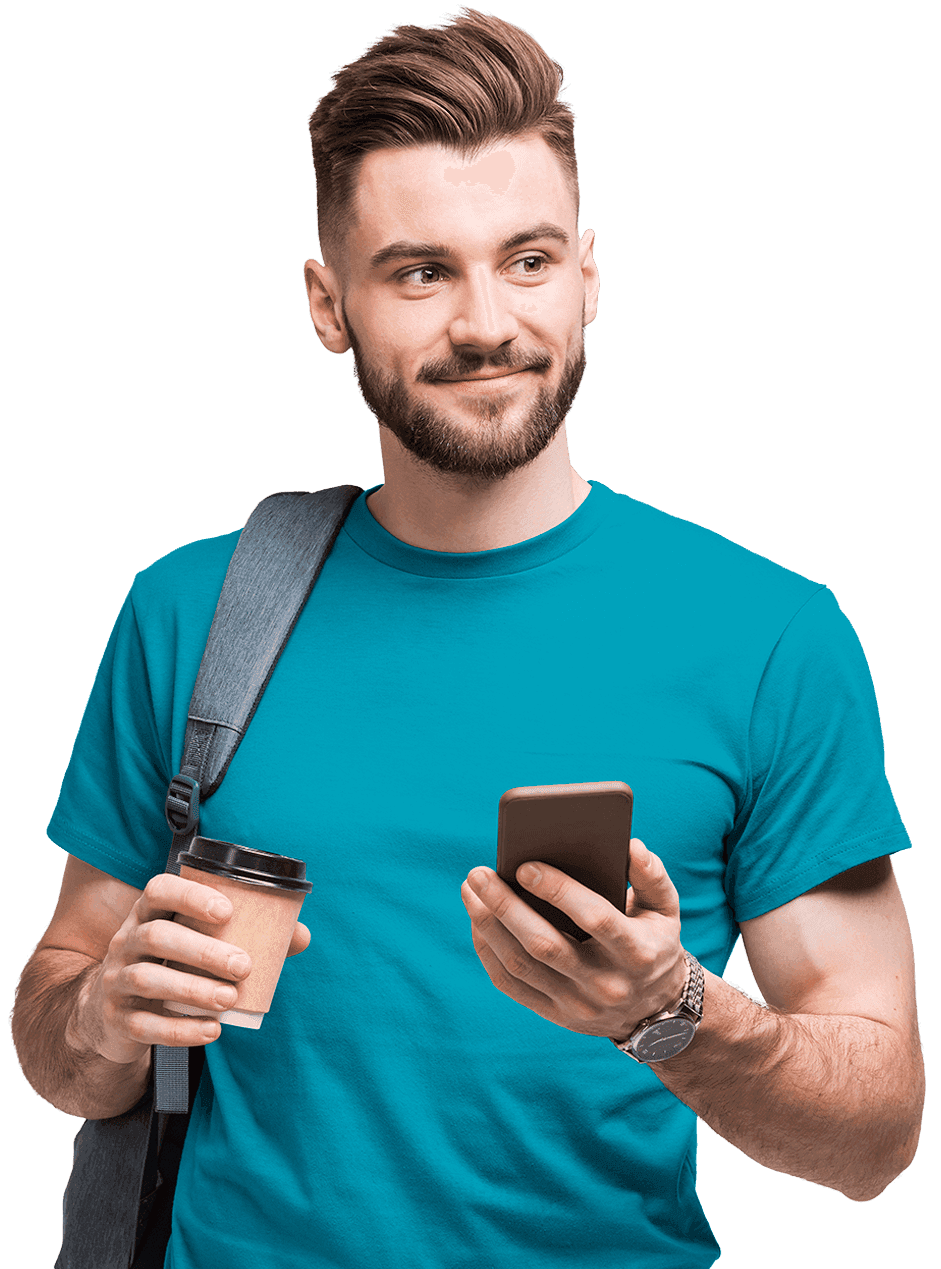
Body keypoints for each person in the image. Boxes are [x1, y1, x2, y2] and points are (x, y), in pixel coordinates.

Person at [10, 8, 924, 1267]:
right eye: (420, 271)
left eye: (529, 259)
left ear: (590, 275)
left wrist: (668, 1014)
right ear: (330, 306)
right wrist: (106, 1016)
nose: (486, 322)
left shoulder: (770, 637)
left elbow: (875, 1138)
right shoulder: (192, 614)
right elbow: (60, 1035)